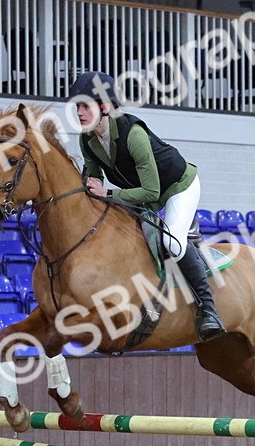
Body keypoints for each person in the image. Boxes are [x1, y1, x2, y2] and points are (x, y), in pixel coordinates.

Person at [68, 71, 226, 341]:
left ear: (104, 107)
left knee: (172, 244)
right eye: (77, 106)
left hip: (177, 187)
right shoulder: (88, 139)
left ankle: (209, 310)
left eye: (85, 106)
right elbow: (92, 179)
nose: (79, 112)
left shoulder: (133, 135)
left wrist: (107, 192)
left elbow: (151, 191)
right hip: (141, 194)